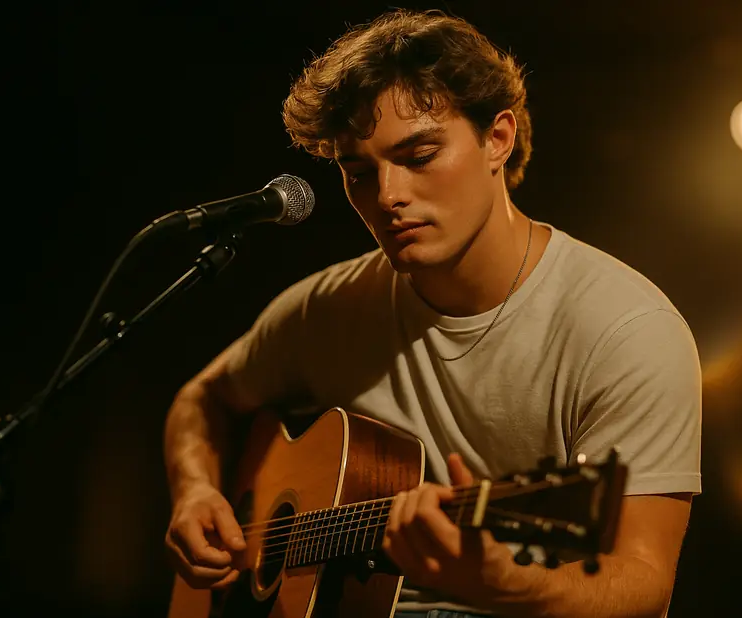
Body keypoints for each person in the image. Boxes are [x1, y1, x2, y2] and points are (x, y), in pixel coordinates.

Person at [163, 8, 702, 618]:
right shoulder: (328, 309)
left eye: (419, 155)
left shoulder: (627, 332)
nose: (388, 196)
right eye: (359, 173)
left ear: (497, 139)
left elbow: (644, 585)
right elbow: (200, 401)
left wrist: (508, 584)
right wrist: (196, 491)